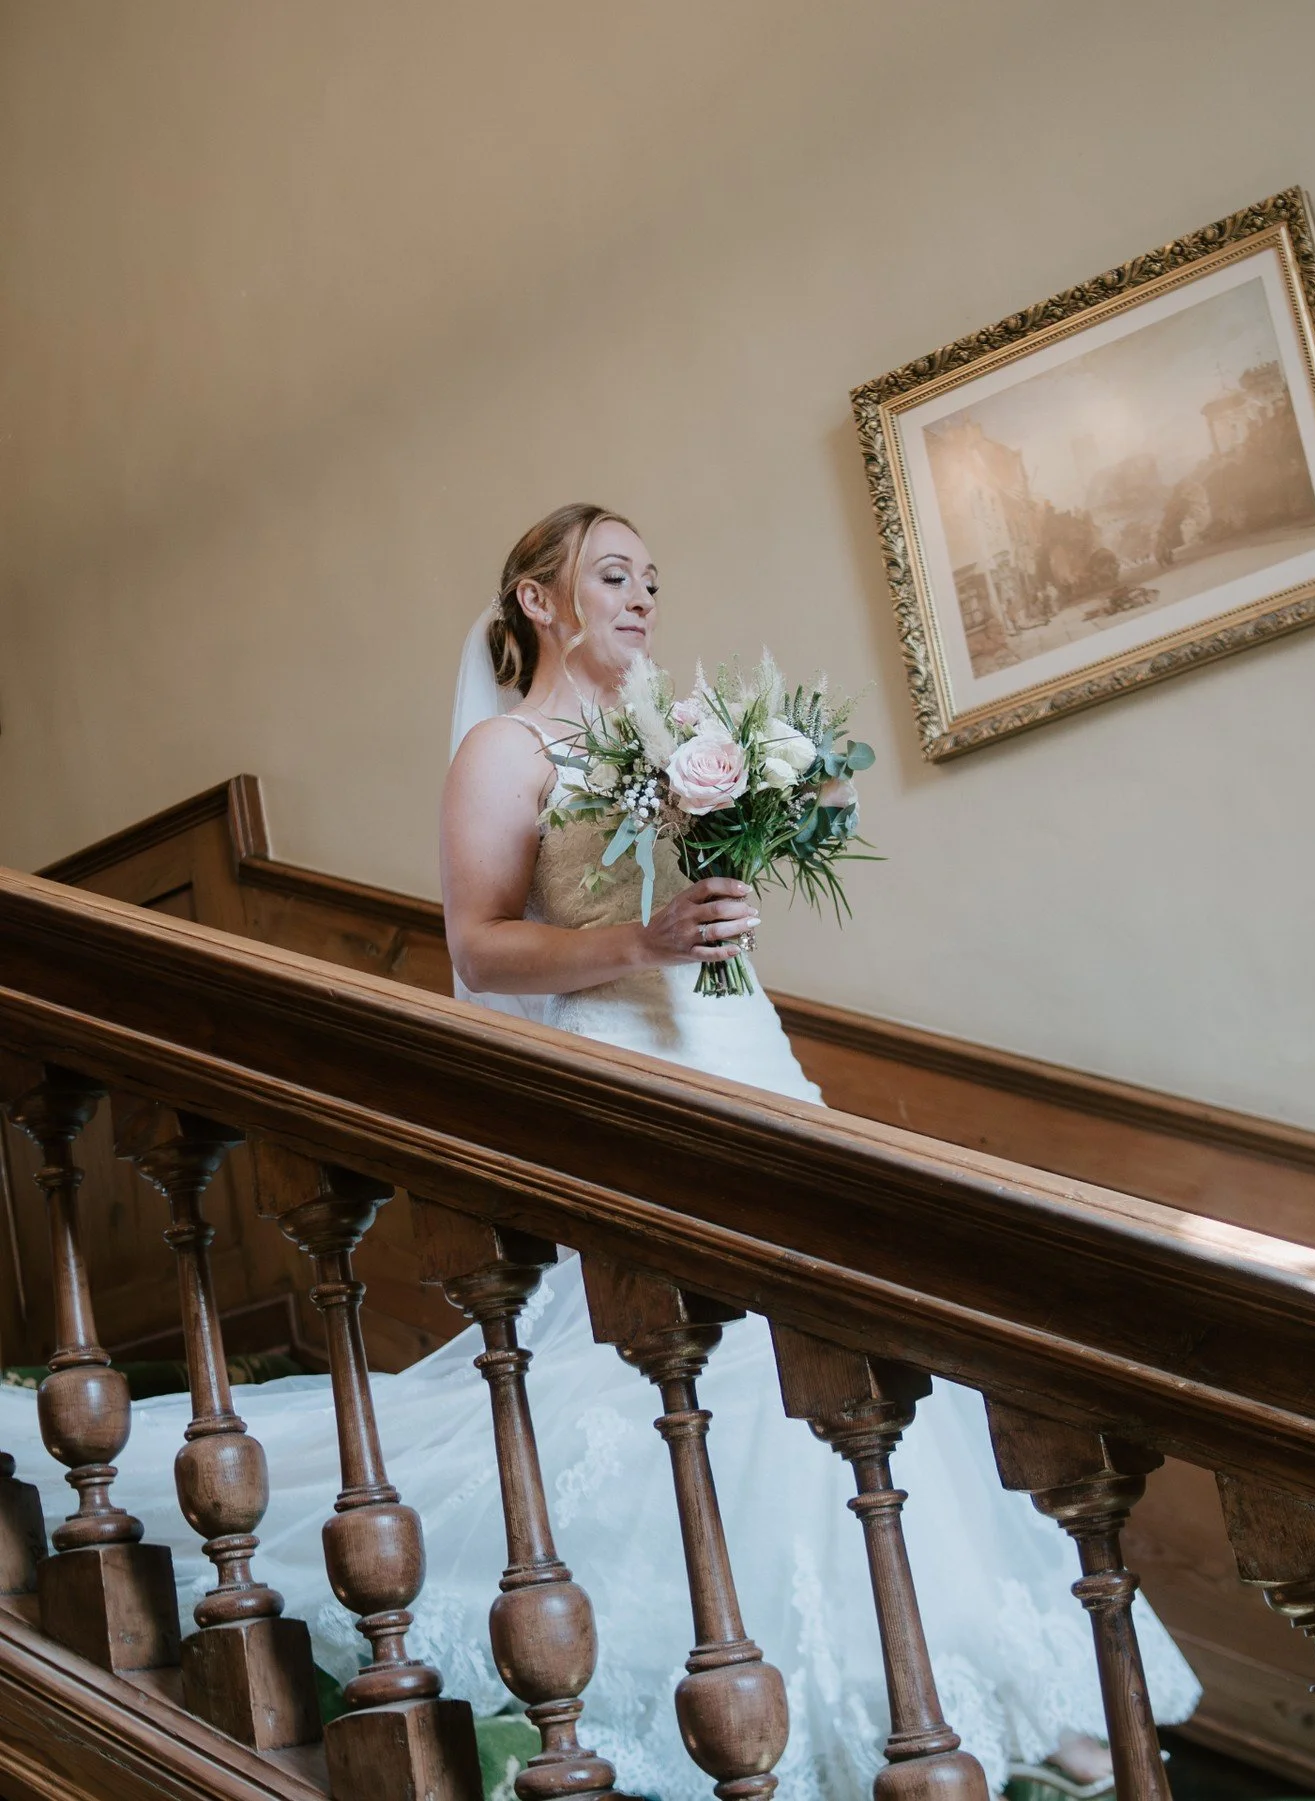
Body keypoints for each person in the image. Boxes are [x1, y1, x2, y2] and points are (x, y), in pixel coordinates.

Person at [0, 503, 1197, 1801]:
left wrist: (747, 867)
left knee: (868, 1349)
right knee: (723, 1368)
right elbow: (479, 948)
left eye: (653, 581)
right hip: (637, 1083)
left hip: (750, 1062)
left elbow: (696, 899)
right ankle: (811, 1676)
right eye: (613, 575)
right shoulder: (504, 751)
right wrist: (647, 942)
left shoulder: (682, 737)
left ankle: (991, 1681)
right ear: (536, 599)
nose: (641, 598)